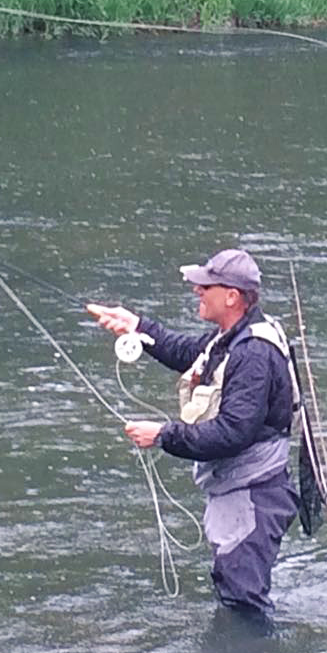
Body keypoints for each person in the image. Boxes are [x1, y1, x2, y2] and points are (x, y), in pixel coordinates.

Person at [87, 248, 300, 626]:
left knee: (244, 604)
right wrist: (136, 325)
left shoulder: (253, 354)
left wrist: (163, 435)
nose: (196, 290)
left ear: (232, 296)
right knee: (236, 593)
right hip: (243, 490)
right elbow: (186, 351)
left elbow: (234, 432)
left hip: (254, 496)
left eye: (205, 285)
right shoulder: (232, 337)